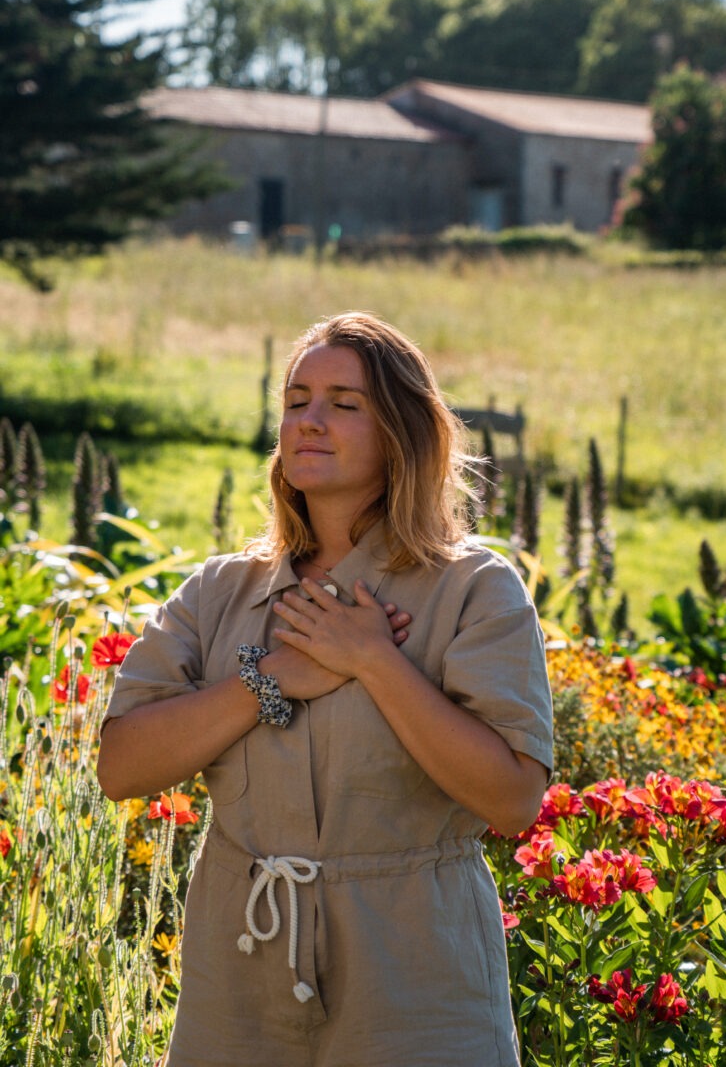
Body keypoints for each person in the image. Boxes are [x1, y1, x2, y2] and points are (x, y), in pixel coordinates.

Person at [97, 311, 553, 1067]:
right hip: (237, 981)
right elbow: (122, 768)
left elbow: (510, 799)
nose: (309, 421)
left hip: (415, 980)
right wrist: (271, 678)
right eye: (296, 401)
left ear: (403, 434)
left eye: (344, 404)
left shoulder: (475, 590)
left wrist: (374, 660)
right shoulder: (218, 593)